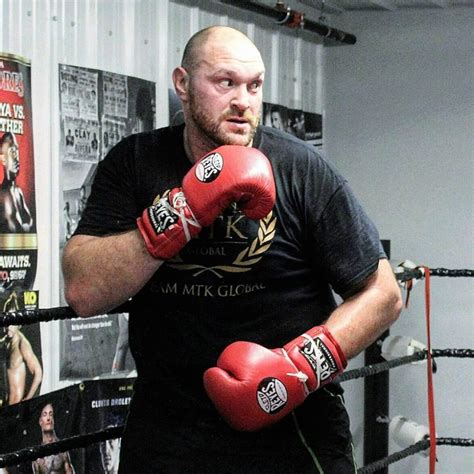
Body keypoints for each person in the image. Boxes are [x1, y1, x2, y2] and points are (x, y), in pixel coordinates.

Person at [62, 26, 402, 473]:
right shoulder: (135, 163)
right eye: (225, 82)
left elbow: (384, 293)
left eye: (254, 85)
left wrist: (299, 370)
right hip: (169, 430)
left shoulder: (300, 169)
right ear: (182, 83)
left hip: (293, 424)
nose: (244, 100)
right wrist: (178, 214)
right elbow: (84, 291)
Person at [3, 291, 43, 405]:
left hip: (16, 408)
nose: (8, 327)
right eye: (6, 323)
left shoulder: (22, 344)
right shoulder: (6, 342)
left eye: (11, 323)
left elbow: (38, 373)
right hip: (6, 407)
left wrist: (28, 398)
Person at [0, 132, 34, 233]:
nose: (16, 158)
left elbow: (30, 222)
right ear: (3, 159)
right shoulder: (3, 194)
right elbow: (15, 229)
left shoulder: (18, 192)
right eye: (11, 152)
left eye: (16, 151)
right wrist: (26, 226)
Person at [32, 403, 75, 474]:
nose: (48, 418)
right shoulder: (37, 456)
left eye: (50, 414)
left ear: (53, 420)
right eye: (45, 415)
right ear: (40, 421)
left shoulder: (62, 449)